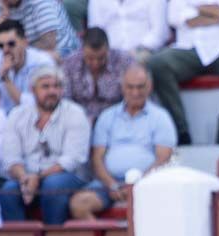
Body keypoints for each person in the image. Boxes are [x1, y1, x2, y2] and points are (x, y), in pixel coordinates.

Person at [68, 64, 175, 220]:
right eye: (130, 87)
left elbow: (163, 159)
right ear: (122, 87)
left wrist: (137, 184)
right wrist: (112, 185)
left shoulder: (160, 117)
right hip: (110, 182)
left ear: (149, 87)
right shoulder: (107, 116)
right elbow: (97, 158)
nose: (135, 93)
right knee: (78, 204)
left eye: (140, 87)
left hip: (148, 183)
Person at [150, 0, 219, 145]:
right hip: (189, 49)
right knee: (158, 63)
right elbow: (175, 17)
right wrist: (217, 15)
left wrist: (196, 8)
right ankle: (180, 130)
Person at [0, 65, 91, 225]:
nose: (52, 91)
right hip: (27, 176)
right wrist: (24, 178)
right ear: (32, 89)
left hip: (67, 176)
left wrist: (38, 177)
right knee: (8, 190)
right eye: (46, 86)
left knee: (52, 185)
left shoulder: (75, 113)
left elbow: (72, 159)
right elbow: (10, 158)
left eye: (56, 86)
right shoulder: (17, 115)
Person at [0, 19, 58, 114]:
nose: (5, 50)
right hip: (5, 121)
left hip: (35, 121)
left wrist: (6, 80)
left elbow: (38, 106)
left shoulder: (42, 63)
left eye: (11, 44)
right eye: (1, 46)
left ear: (25, 42)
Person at [61, 27, 134, 124]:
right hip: (79, 120)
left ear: (108, 49)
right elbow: (65, 100)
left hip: (118, 120)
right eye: (90, 58)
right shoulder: (70, 64)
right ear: (82, 50)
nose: (96, 63)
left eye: (101, 58)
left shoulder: (124, 62)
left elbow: (134, 95)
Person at [0, 0, 81, 68]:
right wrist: (2, 18)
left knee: (48, 57)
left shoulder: (40, 1)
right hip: (19, 50)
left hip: (63, 51)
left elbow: (49, 43)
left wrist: (19, 51)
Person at [87, 0, 170, 61]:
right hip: (108, 55)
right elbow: (95, 31)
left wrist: (137, 51)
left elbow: (160, 33)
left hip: (145, 52)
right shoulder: (96, 1)